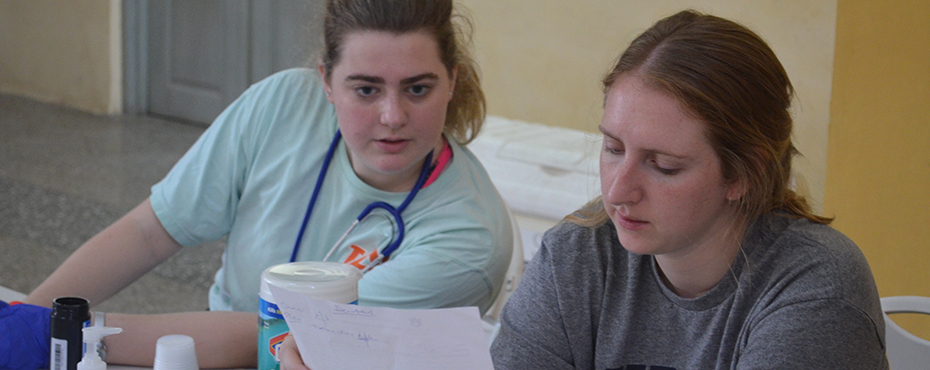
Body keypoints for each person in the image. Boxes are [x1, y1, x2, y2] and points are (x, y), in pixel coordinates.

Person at [0, 0, 513, 368]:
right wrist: (26, 317)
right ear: (326, 83)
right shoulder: (283, 106)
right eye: (365, 88)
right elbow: (151, 231)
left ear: (453, 80)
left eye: (418, 88)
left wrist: (69, 333)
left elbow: (274, 339)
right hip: (200, 343)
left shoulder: (467, 237)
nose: (391, 116)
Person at [490, 10, 887, 369]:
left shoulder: (817, 290)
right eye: (613, 149)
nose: (618, 191)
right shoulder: (576, 257)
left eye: (664, 166)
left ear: (743, 174)